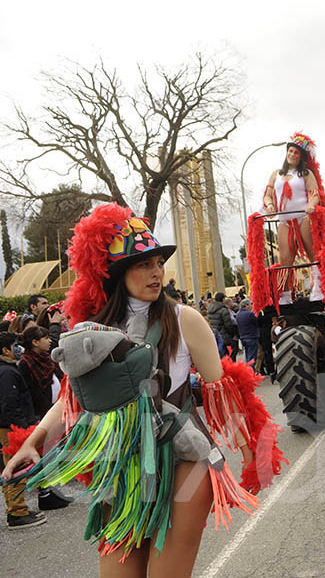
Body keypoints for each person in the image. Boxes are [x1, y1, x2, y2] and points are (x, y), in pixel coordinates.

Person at [1, 204, 283, 575]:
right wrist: (32, 442)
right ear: (118, 274)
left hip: (185, 459)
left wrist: (252, 454)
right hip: (123, 470)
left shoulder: (186, 319)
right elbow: (71, 398)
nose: (156, 272)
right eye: (143, 264)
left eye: (158, 263)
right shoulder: (93, 329)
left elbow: (222, 394)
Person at [17, 325, 72, 512]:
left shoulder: (46, 360)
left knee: (51, 451)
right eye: (45, 338)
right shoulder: (26, 363)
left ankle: (50, 490)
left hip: (53, 409)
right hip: (41, 414)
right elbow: (29, 392)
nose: (49, 341)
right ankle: (45, 492)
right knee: (40, 453)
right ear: (34, 342)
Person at [262, 132, 322, 304]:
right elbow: (268, 195)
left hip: (303, 217)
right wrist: (270, 205)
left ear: (301, 156)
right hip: (284, 221)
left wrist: (311, 205)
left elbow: (314, 194)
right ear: (286, 152)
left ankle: (318, 287)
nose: (292, 154)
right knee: (285, 259)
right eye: (290, 151)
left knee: (312, 254)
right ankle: (285, 294)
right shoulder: (276, 174)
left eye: (296, 152)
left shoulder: (306, 173)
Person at [0, 331, 46, 529]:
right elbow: (10, 405)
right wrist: (22, 428)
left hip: (12, 426)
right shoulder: (7, 372)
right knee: (15, 468)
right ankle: (17, 512)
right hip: (11, 428)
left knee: (15, 467)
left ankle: (19, 508)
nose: (19, 349)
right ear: (5, 350)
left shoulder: (8, 369)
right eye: (15, 345)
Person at [208, 292, 237, 359]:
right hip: (226, 336)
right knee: (231, 357)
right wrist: (232, 334)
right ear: (223, 299)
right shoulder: (223, 310)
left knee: (222, 357)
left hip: (216, 335)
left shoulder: (209, 309)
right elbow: (228, 325)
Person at [235, 299, 259, 369]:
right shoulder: (250, 314)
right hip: (251, 337)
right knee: (252, 358)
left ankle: (248, 372)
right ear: (247, 305)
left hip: (243, 337)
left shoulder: (238, 314)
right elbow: (257, 323)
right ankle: (251, 374)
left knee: (247, 356)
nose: (252, 306)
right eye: (251, 304)